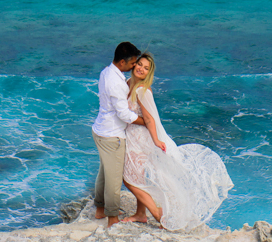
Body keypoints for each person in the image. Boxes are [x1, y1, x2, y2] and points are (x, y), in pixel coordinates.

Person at [121, 52, 233, 230]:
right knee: (138, 177)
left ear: (149, 73)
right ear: (134, 65)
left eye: (146, 68)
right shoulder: (128, 84)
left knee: (129, 179)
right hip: (131, 136)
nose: (141, 69)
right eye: (139, 64)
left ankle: (157, 214)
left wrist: (156, 140)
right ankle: (140, 214)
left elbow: (150, 119)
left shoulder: (143, 90)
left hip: (141, 139)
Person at [92, 41, 146, 226]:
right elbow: (124, 114)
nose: (134, 66)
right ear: (122, 62)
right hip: (112, 135)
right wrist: (144, 121)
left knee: (104, 174)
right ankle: (112, 219)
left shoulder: (105, 72)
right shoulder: (116, 83)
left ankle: (100, 209)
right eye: (133, 63)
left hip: (100, 130)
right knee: (114, 180)